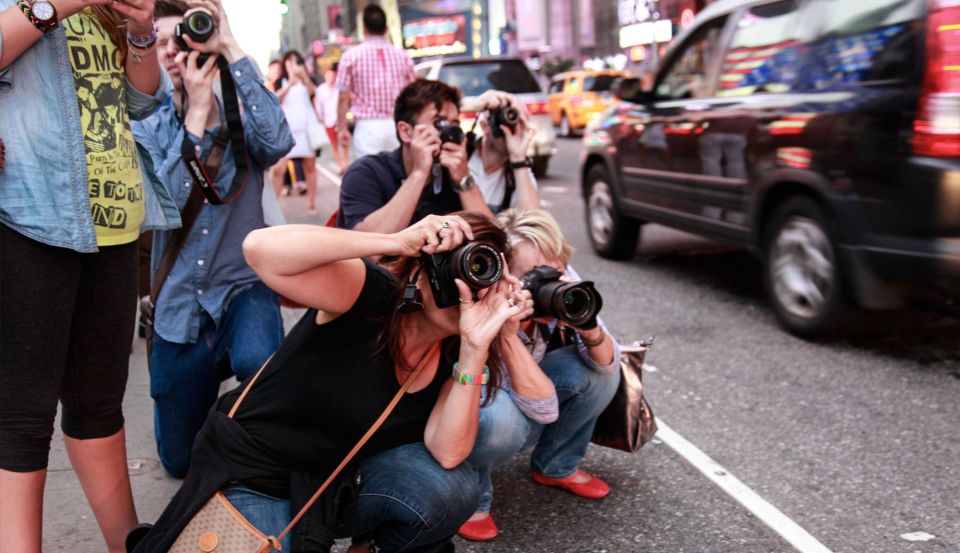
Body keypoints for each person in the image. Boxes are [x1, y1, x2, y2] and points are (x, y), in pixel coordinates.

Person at [128, 212, 531, 553]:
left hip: (330, 482)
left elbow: (447, 454)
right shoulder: (371, 294)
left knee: (452, 489)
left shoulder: (455, 350)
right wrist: (396, 240)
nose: (468, 287)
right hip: (257, 472)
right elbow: (259, 250)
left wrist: (476, 347)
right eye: (457, 264)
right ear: (423, 267)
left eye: (482, 276)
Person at [0, 0, 176, 550]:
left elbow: (142, 99)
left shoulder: (103, 11)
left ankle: (128, 541)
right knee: (21, 417)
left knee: (100, 401)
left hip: (112, 220)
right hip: (28, 213)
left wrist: (142, 30)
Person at [132, 0, 294, 479]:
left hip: (242, 286)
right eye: (159, 42)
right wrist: (197, 117)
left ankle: (254, 436)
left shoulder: (240, 117)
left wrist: (230, 45)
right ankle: (206, 394)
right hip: (181, 303)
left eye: (180, 39)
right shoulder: (146, 124)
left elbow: (280, 141)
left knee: (259, 359)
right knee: (180, 461)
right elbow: (163, 205)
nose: (171, 52)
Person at [458, 208, 622, 542]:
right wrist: (509, 331)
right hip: (483, 406)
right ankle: (472, 496)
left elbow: (608, 364)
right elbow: (539, 405)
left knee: (598, 373)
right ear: (504, 280)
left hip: (528, 395)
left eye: (556, 269)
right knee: (498, 418)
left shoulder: (566, 283)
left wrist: (586, 325)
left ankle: (555, 466)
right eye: (537, 277)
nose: (552, 284)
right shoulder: (483, 307)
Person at [336, 79, 538, 231]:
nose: (449, 133)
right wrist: (419, 174)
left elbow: (495, 244)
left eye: (455, 124)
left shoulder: (452, 174)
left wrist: (464, 180)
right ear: (406, 131)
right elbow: (370, 251)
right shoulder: (366, 173)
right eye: (439, 123)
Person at [335, 3, 414, 158]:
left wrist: (342, 128)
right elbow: (412, 93)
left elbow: (343, 97)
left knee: (370, 178)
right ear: (386, 29)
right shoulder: (403, 56)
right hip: (397, 125)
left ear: (364, 29)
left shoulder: (351, 57)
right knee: (398, 177)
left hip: (367, 128)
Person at [269, 49, 322, 214]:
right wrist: (290, 83)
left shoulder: (306, 80)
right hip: (287, 130)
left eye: (295, 61)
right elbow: (275, 100)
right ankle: (273, 205)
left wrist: (304, 77)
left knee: (310, 167)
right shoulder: (280, 81)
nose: (292, 65)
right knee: (278, 169)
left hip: (306, 129)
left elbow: (314, 93)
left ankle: (311, 204)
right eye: (288, 61)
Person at [315, 63, 348, 174]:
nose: (331, 78)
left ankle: (345, 163)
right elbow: (318, 105)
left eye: (333, 76)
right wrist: (321, 116)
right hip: (328, 121)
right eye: (329, 76)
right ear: (325, 76)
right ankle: (339, 164)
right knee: (334, 144)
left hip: (340, 120)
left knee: (344, 142)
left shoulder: (339, 88)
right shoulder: (320, 90)